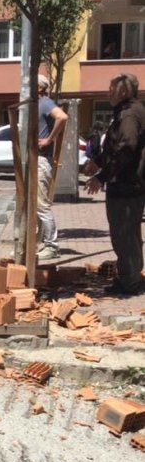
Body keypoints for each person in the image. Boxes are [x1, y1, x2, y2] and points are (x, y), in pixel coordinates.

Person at [84, 73, 145, 296]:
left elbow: (127, 147)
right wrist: (98, 162)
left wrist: (102, 176)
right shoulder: (127, 112)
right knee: (127, 234)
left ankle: (131, 282)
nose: (108, 92)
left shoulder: (129, 115)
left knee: (124, 234)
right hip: (127, 184)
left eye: (111, 88)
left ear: (123, 91)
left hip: (127, 186)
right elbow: (116, 146)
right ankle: (129, 277)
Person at [35, 74, 68, 261]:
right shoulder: (35, 105)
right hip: (34, 159)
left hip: (41, 160)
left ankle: (52, 246)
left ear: (40, 88)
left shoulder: (45, 102)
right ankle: (38, 245)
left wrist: (49, 139)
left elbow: (62, 117)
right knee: (34, 206)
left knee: (42, 205)